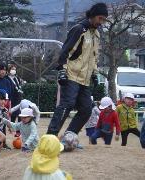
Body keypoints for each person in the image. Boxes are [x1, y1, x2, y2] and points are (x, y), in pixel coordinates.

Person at [47, 3, 108, 142]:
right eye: (100, 18)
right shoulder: (79, 29)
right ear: (92, 16)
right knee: (67, 104)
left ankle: (68, 137)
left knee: (87, 109)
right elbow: (65, 51)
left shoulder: (96, 35)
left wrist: (94, 73)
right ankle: (50, 137)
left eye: (104, 19)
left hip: (85, 79)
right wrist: (62, 70)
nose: (101, 22)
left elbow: (93, 57)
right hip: (71, 75)